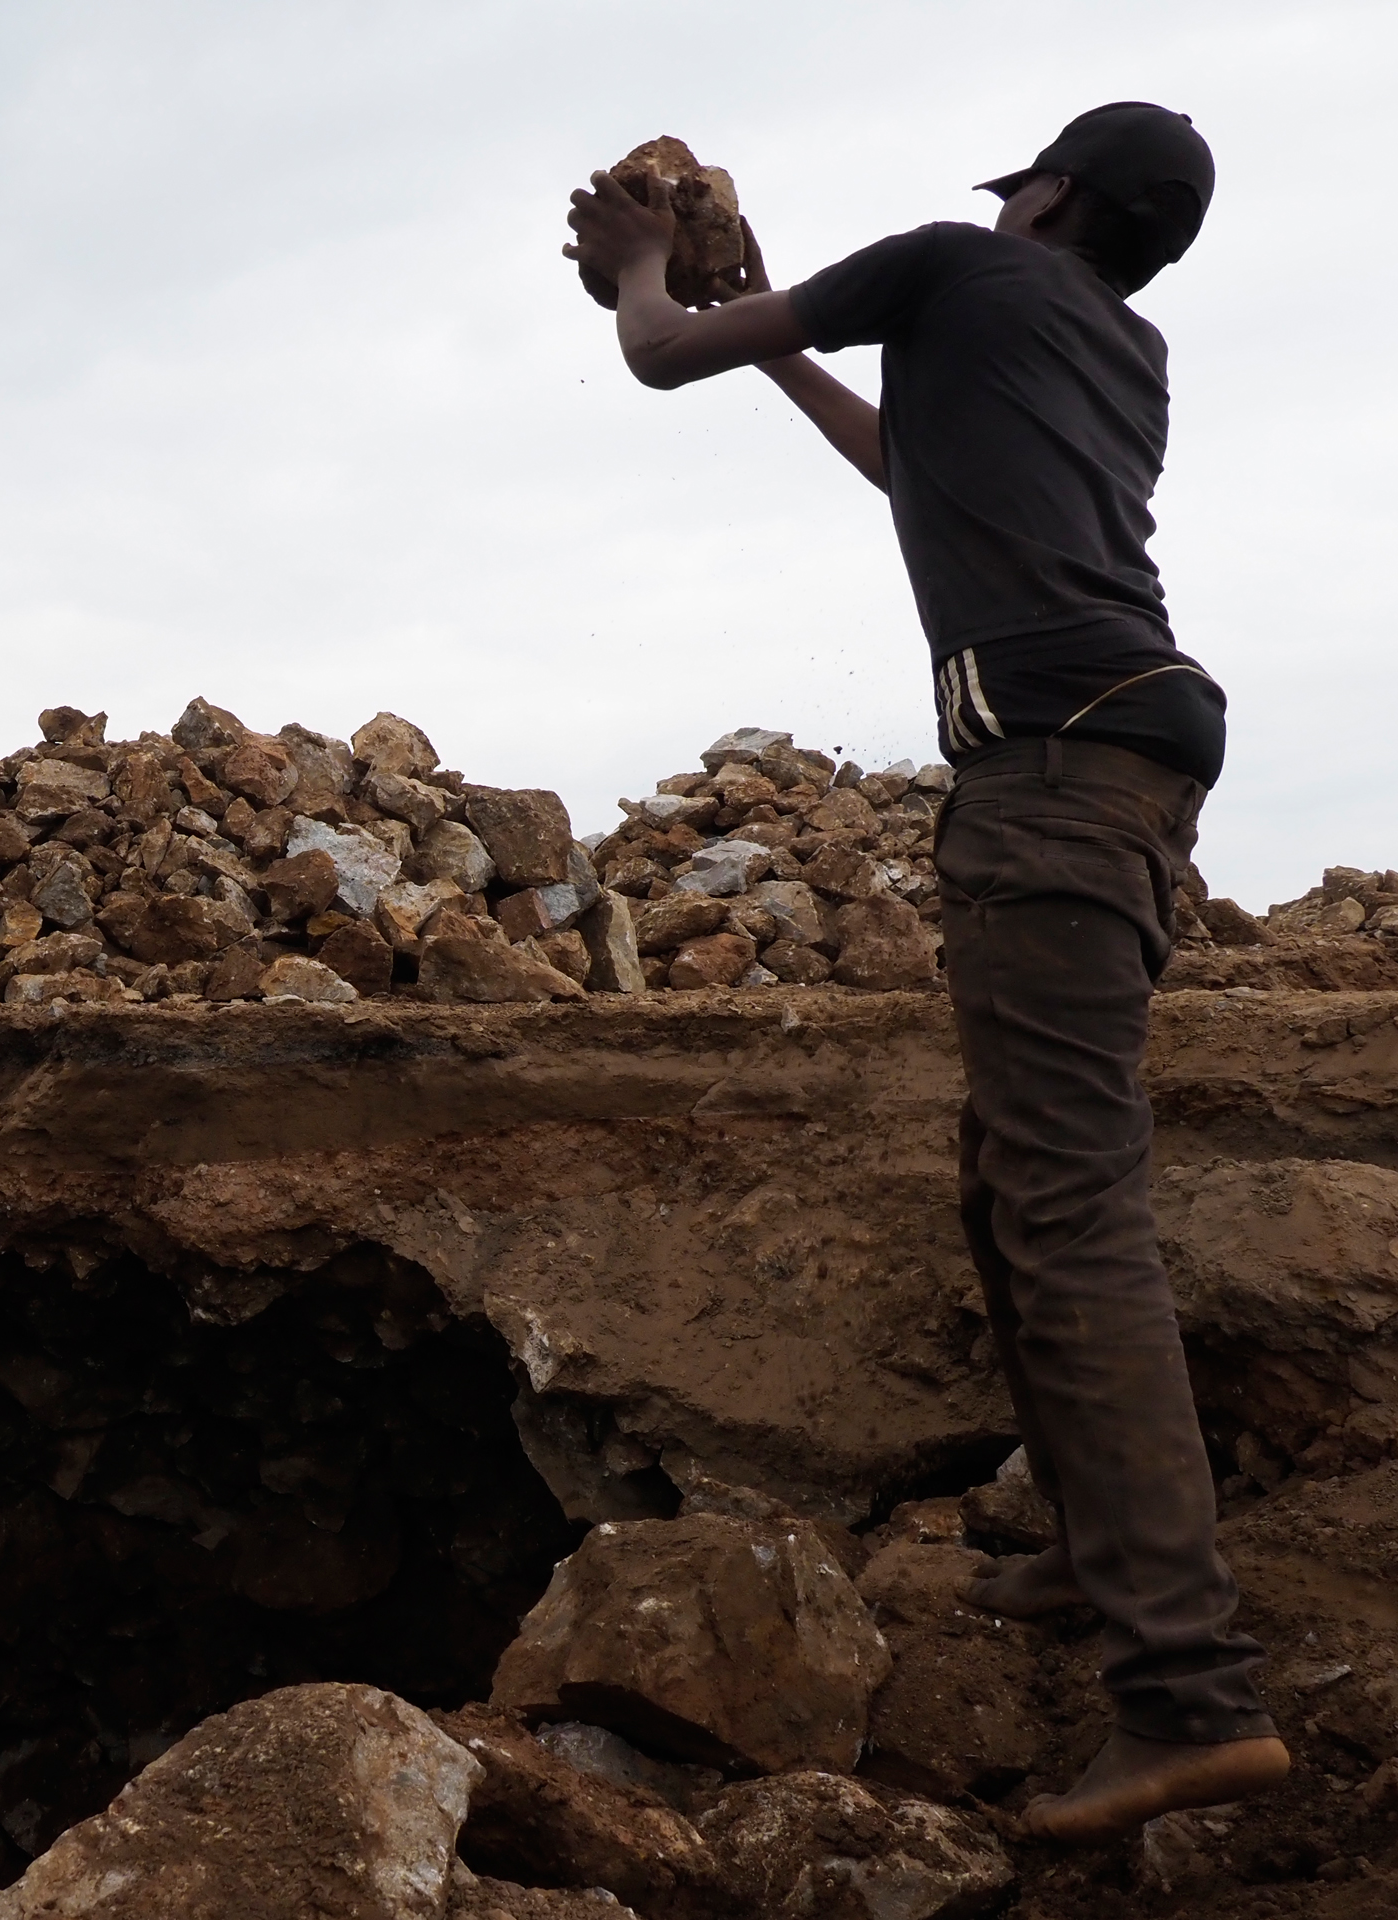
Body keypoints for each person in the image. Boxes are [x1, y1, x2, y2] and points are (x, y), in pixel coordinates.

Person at [562, 103, 1285, 1842]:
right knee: (1008, 1185)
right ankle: (1094, 1560)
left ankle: (1187, 1692)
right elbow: (914, 468)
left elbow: (655, 353)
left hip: (1052, 763)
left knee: (1069, 1210)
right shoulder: (1124, 346)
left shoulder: (961, 267)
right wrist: (772, 353)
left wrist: (643, 272)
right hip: (1126, 745)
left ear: (1041, 194)